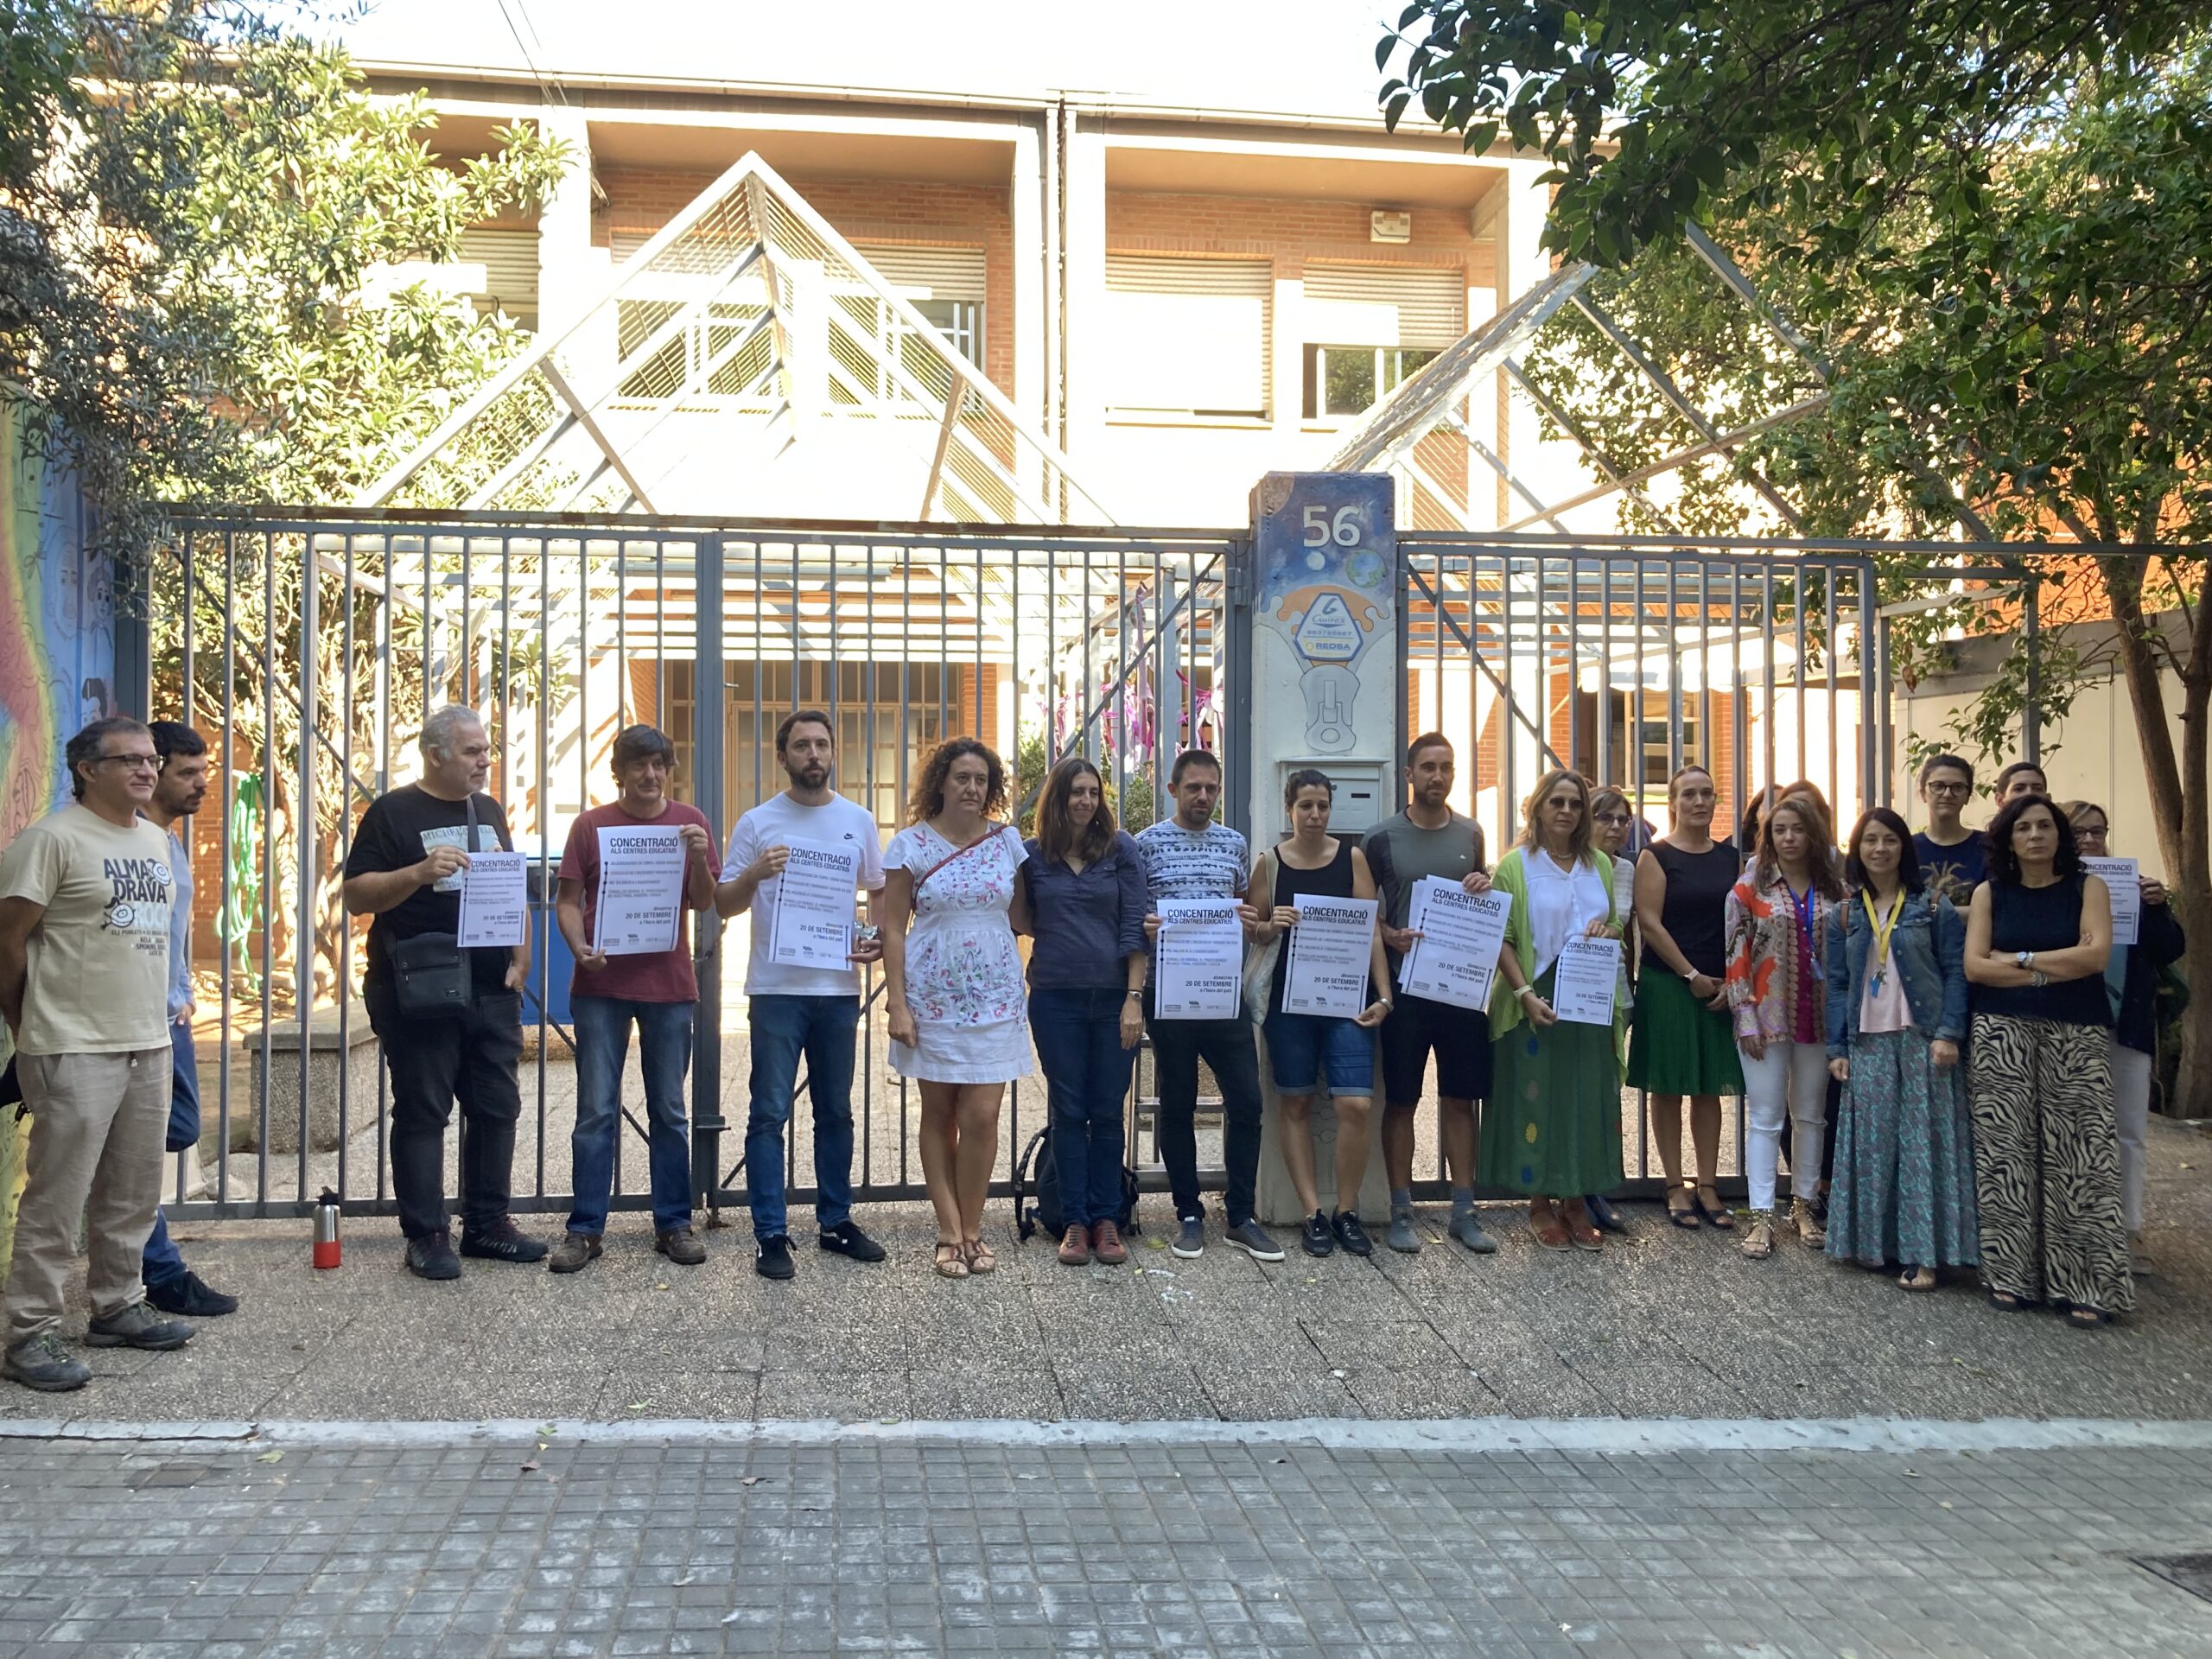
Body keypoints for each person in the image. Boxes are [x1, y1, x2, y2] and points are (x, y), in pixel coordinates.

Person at [0, 717, 195, 1390]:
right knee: (58, 1199)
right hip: (71, 1044)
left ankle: (117, 1306)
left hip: (148, 1040)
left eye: (151, 759)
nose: (147, 769)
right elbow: (8, 944)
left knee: (134, 1192)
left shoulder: (154, 841)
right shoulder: (50, 841)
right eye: (131, 760)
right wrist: (29, 1030)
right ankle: (29, 1335)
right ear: (88, 769)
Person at [342, 705, 546, 1279]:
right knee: (424, 1110)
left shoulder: (488, 809)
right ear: (436, 755)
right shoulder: (392, 812)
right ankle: (427, 1234)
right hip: (419, 989)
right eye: (473, 752)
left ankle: (487, 1225)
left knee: (496, 1106)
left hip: (491, 986)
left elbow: (509, 883)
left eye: (486, 751)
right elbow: (357, 895)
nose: (485, 761)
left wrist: (523, 953)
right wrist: (417, 874)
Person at [717, 709, 889, 1280]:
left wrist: (875, 941)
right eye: (802, 746)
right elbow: (723, 903)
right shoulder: (758, 822)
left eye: (821, 744)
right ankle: (771, 1234)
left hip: (837, 989)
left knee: (836, 1112)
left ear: (833, 752)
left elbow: (876, 896)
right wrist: (753, 876)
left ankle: (836, 1222)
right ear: (783, 756)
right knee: (768, 1113)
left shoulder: (858, 820)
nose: (813, 754)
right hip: (776, 991)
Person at [550, 724, 717, 1274]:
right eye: (639, 766)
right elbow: (568, 901)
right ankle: (585, 1229)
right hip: (599, 987)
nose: (650, 775)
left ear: (669, 769)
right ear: (618, 773)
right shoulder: (590, 826)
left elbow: (705, 900)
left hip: (668, 989)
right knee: (595, 1110)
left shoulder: (691, 823)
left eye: (660, 765)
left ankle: (674, 1222)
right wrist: (578, 946)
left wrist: (696, 857)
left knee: (669, 1110)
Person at [1964, 794, 2129, 1325]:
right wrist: (2057, 965)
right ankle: (2012, 1275)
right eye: (2024, 828)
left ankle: (2086, 1284)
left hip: (2074, 1034)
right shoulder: (1991, 893)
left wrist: (2022, 961)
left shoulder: (2090, 888)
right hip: (2001, 1034)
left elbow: (2096, 955)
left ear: (2060, 836)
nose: (2036, 835)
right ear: (2009, 840)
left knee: (2080, 1158)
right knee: (2007, 1155)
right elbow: (1974, 968)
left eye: (2045, 826)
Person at [881, 737, 1031, 1279]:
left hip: (995, 998)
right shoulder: (910, 845)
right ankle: (950, 1232)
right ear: (941, 782)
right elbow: (893, 930)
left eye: (981, 781)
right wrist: (897, 1004)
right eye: (961, 778)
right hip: (932, 999)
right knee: (939, 1115)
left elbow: (1024, 916)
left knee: (983, 1116)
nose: (972, 788)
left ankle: (975, 1224)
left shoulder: (1008, 843)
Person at [1135, 749, 1284, 1262]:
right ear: (1173, 790)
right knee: (1176, 1104)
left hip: (1224, 994)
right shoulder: (1145, 845)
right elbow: (1133, 916)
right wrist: (1146, 926)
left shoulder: (1234, 844)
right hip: (1169, 993)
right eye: (1194, 787)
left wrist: (1254, 923)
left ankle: (1240, 1214)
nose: (1203, 797)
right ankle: (1189, 1214)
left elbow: (1247, 907)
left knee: (1246, 1101)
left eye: (1211, 789)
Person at [1823, 808, 1978, 1290]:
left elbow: (1955, 971)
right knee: (1873, 1147)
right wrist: (1836, 1047)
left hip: (1922, 1038)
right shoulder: (1845, 913)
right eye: (1869, 840)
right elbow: (1837, 985)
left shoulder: (1933, 907)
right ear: (1857, 849)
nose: (1880, 849)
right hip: (1867, 1041)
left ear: (1903, 849)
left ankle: (1925, 1256)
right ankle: (1875, 1246)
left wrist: (1949, 1033)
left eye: (1889, 840)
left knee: (1922, 1148)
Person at [1482, 770, 1626, 1251]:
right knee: (1536, 1098)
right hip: (1534, 996)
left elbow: (1615, 921)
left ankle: (1576, 1203)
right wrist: (1523, 993)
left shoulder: (1600, 864)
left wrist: (1610, 931)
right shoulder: (1515, 865)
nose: (1566, 811)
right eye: (1557, 802)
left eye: (1575, 803)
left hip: (1588, 997)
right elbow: (1501, 937)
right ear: (1537, 807)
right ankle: (1540, 1204)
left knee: (1584, 1099)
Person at [1250, 770, 1393, 1258]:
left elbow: (1372, 929)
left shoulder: (1351, 858)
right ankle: (1313, 1213)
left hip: (1346, 1002)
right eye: (1305, 805)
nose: (1314, 815)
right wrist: (1273, 924)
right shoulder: (1269, 863)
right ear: (1288, 809)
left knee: (1356, 1105)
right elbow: (1256, 932)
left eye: (1322, 806)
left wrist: (1384, 994)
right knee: (1295, 1104)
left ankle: (1346, 1211)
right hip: (1289, 1006)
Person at [1363, 734, 1496, 1255]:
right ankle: (1401, 1211)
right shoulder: (1380, 838)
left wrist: (1483, 886)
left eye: (1446, 767)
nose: (1438, 777)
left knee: (1461, 1099)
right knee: (1401, 1101)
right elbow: (1361, 909)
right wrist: (1388, 933)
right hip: (1405, 988)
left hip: (1461, 988)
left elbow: (1480, 889)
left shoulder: (1472, 832)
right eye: (1428, 768)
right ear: (1409, 775)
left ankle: (1465, 1210)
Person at [1020, 757, 1147, 1268]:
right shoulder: (1032, 856)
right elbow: (1020, 918)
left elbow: (1135, 925)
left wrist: (1134, 998)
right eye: (1076, 792)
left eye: (1093, 792)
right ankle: (1073, 1219)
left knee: (1107, 1109)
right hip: (1055, 999)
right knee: (1069, 1109)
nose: (1086, 801)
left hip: (1114, 999)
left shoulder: (1121, 850)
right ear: (1058, 797)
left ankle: (1107, 1219)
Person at [136, 722, 238, 1319]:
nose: (202, 785)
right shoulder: (128, 841)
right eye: (188, 773)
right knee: (139, 1150)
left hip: (169, 1017)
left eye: (205, 772)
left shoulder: (168, 842)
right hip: (130, 1024)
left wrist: (182, 991)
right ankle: (159, 1270)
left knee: (177, 1131)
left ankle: (146, 1260)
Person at [2062, 800, 2183, 1255]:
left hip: (2125, 1025)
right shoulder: (2054, 889)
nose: (2091, 840)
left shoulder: (2132, 885)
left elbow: (2169, 950)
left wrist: (2157, 908)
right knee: (2072, 1128)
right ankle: (2077, 1224)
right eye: (2079, 833)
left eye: (2098, 831)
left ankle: (2128, 1228)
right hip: (2072, 1024)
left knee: (2128, 1128)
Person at [1725, 794, 1842, 1257]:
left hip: (1819, 1018)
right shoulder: (1748, 887)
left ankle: (1805, 1206)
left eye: (1798, 829)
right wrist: (1745, 1016)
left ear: (1814, 834)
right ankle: (1760, 1217)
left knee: (1811, 1115)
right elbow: (1735, 956)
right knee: (1766, 1118)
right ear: (1768, 836)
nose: (1789, 838)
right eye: (1780, 830)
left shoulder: (1836, 890)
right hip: (1764, 1019)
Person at [1628, 765, 1742, 1230]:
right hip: (1670, 983)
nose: (1700, 802)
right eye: (1689, 794)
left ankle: (1709, 1185)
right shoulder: (1655, 856)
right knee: (1669, 1085)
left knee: (1709, 1087)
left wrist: (1732, 981)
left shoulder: (1732, 858)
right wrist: (1690, 974)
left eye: (1707, 794)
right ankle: (1675, 1183)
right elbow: (1649, 922)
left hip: (1720, 986)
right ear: (1672, 803)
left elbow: (1743, 923)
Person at [1581, 786, 1641, 1235]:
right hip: (1572, 994)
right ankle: (1572, 1190)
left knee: (1604, 1097)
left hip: (1614, 993)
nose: (1616, 827)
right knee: (1575, 1094)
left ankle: (1596, 1187)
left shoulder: (1628, 869)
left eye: (1623, 819)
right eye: (1606, 818)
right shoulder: (1573, 868)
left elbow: (1630, 930)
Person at [1913, 753, 1985, 909]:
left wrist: (1930, 914)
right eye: (1938, 786)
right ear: (1923, 793)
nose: (1947, 794)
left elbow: (1995, 911)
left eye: (1957, 787)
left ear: (1967, 796)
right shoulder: (1907, 848)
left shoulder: (1988, 847)